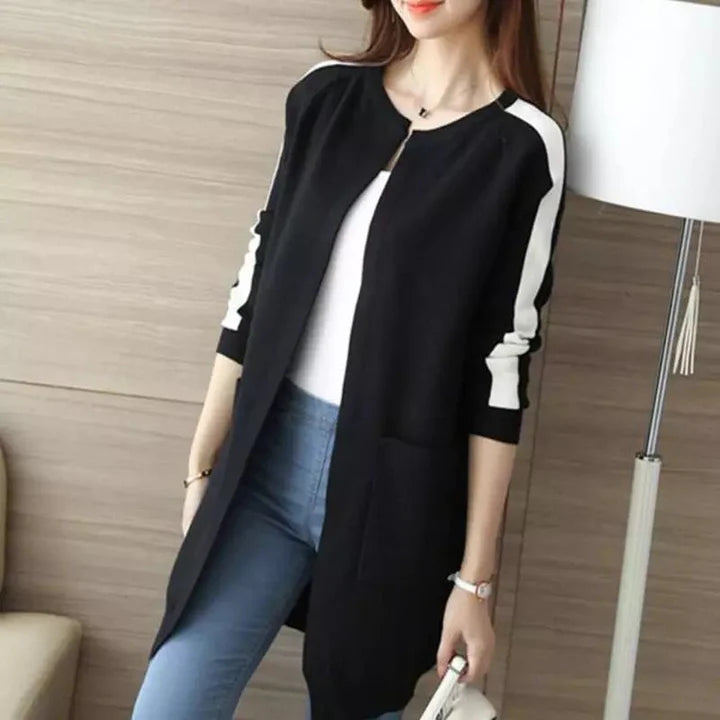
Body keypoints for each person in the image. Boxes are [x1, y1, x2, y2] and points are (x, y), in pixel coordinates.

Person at [131, 0, 567, 718]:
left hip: (396, 500)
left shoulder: (522, 145)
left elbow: (501, 368)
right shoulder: (324, 96)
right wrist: (204, 460)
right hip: (264, 469)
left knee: (355, 699)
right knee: (169, 704)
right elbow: (255, 280)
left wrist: (474, 582)